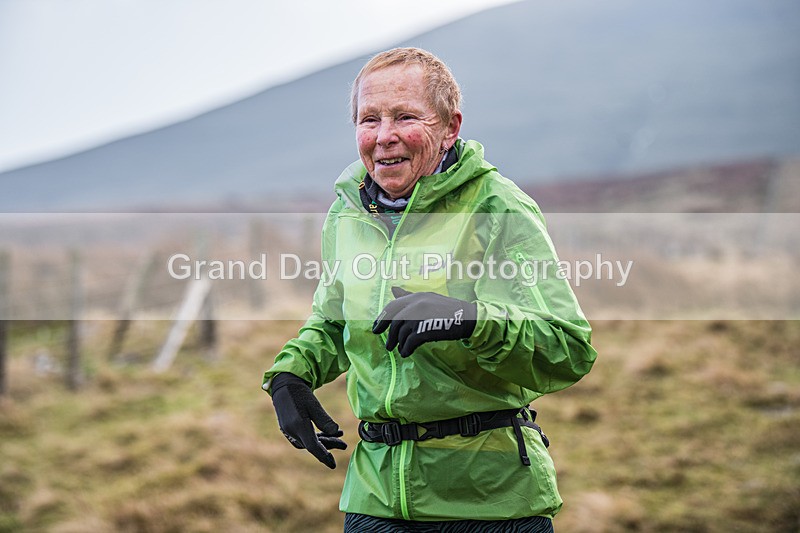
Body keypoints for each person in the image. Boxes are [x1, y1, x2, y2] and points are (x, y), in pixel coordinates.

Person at [262, 47, 597, 532]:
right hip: (375, 501)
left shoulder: (497, 207)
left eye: (405, 117)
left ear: (449, 128)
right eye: (369, 119)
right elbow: (336, 322)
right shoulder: (347, 214)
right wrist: (290, 375)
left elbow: (567, 349)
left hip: (490, 504)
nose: (384, 137)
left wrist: (471, 321)